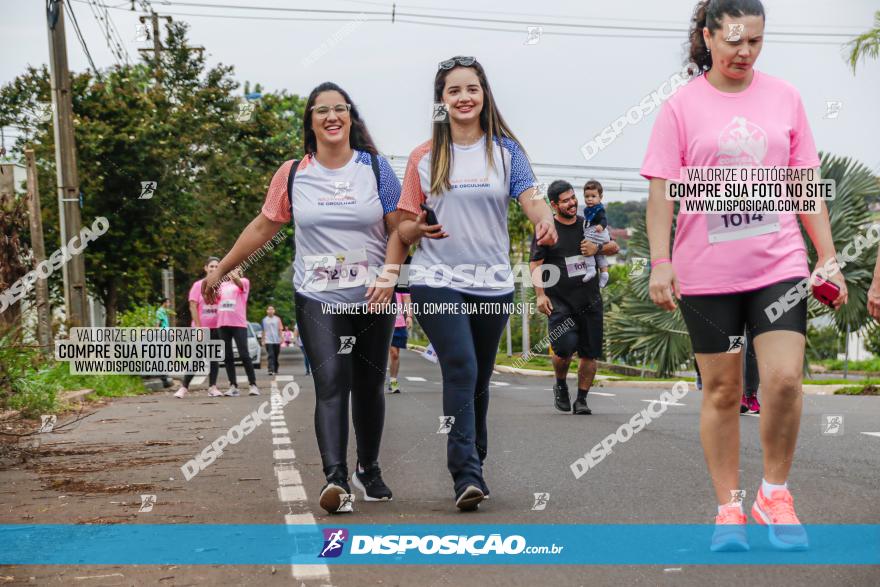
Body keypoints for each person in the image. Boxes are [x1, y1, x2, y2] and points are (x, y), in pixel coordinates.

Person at [643, 0, 846, 552]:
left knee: (782, 381)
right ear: (707, 37)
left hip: (779, 264)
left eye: (755, 41)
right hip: (705, 274)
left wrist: (825, 256)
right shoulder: (680, 107)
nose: (744, 52)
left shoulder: (785, 98)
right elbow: (661, 194)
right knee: (725, 390)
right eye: (734, 41)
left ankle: (774, 494)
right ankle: (728, 509)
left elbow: (806, 186)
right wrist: (661, 261)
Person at [204, 81, 406, 514]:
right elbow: (263, 227)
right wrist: (221, 269)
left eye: (340, 109)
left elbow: (399, 228)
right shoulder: (293, 173)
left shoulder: (375, 168)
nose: (332, 117)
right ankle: (335, 479)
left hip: (374, 294)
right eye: (322, 111)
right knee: (332, 383)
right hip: (318, 296)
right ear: (310, 121)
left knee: (369, 386)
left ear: (351, 117)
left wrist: (390, 276)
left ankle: (367, 470)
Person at [397, 55, 557, 511]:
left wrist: (544, 221)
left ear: (484, 95)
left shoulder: (506, 153)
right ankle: (464, 471)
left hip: (491, 282)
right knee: (462, 368)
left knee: (479, 379)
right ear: (441, 101)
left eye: (471, 89)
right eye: (453, 91)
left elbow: (532, 198)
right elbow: (404, 226)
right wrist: (416, 231)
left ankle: (475, 464)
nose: (463, 98)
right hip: (435, 278)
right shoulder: (423, 158)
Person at [531, 180, 620, 415]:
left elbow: (615, 247)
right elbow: (536, 263)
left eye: (573, 198)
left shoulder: (587, 224)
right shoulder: (548, 230)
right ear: (553, 204)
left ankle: (582, 399)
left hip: (590, 301)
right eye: (566, 200)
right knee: (564, 349)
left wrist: (597, 250)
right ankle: (560, 384)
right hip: (560, 303)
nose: (572, 203)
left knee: (590, 353)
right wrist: (540, 295)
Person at [175, 257, 224, 398]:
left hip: (216, 327)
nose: (214, 269)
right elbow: (192, 305)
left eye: (216, 266)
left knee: (214, 359)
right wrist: (198, 327)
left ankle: (213, 387)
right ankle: (184, 387)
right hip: (201, 329)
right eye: (211, 266)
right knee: (196, 358)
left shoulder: (222, 285)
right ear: (206, 268)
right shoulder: (198, 285)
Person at [214, 268, 259, 397]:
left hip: (238, 323)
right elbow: (216, 298)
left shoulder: (244, 282)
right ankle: (233, 385)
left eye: (237, 270)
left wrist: (235, 276)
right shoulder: (222, 285)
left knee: (244, 354)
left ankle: (253, 385)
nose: (233, 272)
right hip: (222, 323)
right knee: (228, 356)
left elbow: (239, 284)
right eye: (231, 270)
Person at [580, 180, 612, 288]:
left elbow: (604, 220)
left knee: (586, 245)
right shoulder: (589, 209)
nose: (589, 199)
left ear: (600, 197)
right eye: (587, 196)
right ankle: (604, 273)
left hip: (598, 232)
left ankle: (591, 269)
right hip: (601, 235)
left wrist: (601, 226)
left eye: (593, 196)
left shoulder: (599, 210)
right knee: (599, 254)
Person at [387, 288, 412, 394]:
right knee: (389, 352)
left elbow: (406, 298)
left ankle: (393, 381)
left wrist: (409, 316)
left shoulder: (401, 281)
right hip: (384, 321)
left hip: (399, 323)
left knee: (395, 355)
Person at [262, 305, 283, 376]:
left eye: (272, 309)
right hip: (268, 340)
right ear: (267, 311)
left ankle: (276, 368)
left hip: (276, 340)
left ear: (274, 311)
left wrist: (281, 338)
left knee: (276, 355)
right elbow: (263, 330)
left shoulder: (277, 319)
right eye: (269, 309)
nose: (270, 311)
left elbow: (280, 329)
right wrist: (263, 340)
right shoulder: (264, 320)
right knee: (271, 355)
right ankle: (270, 370)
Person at [155, 298, 172, 388]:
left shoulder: (164, 311)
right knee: (163, 355)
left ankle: (164, 376)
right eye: (168, 302)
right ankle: (164, 377)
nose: (169, 304)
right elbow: (158, 324)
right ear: (164, 303)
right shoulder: (160, 311)